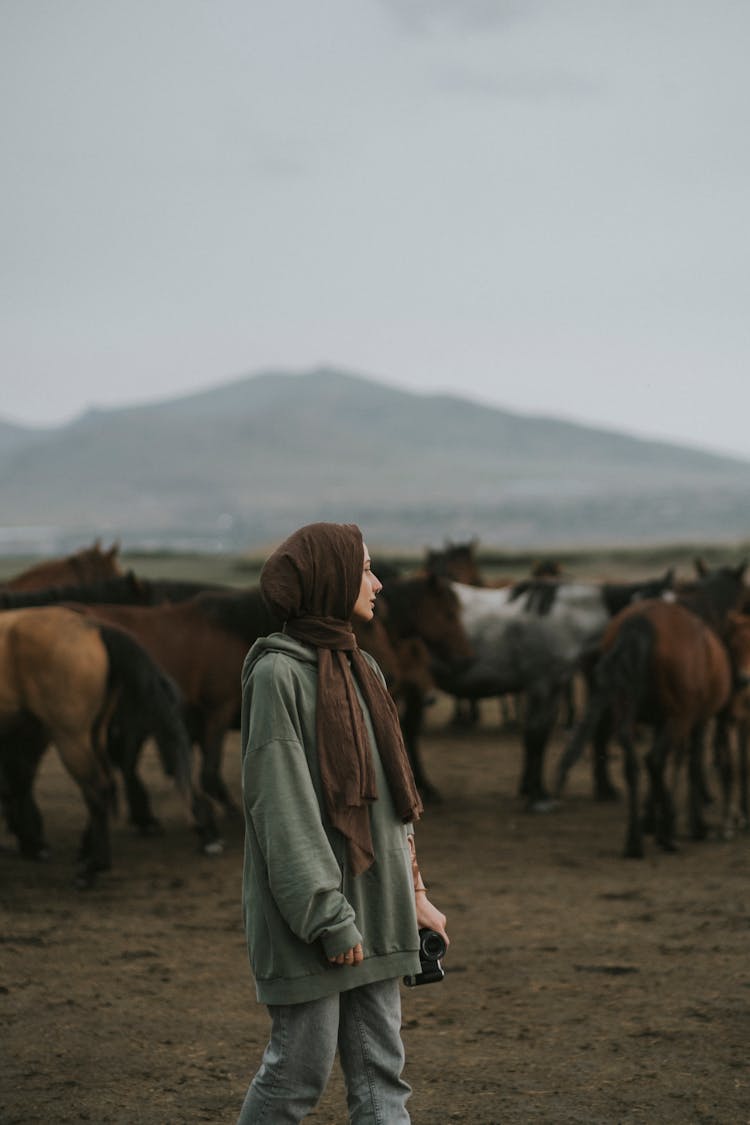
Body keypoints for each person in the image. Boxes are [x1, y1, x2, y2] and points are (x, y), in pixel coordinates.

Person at [237, 521, 449, 1124]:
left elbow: (391, 802)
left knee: (384, 1076)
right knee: (295, 1077)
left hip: (380, 909)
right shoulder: (277, 675)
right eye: (364, 569)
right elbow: (282, 808)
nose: (377, 583)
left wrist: (416, 895)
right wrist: (329, 918)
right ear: (330, 578)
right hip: (312, 921)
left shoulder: (365, 670)